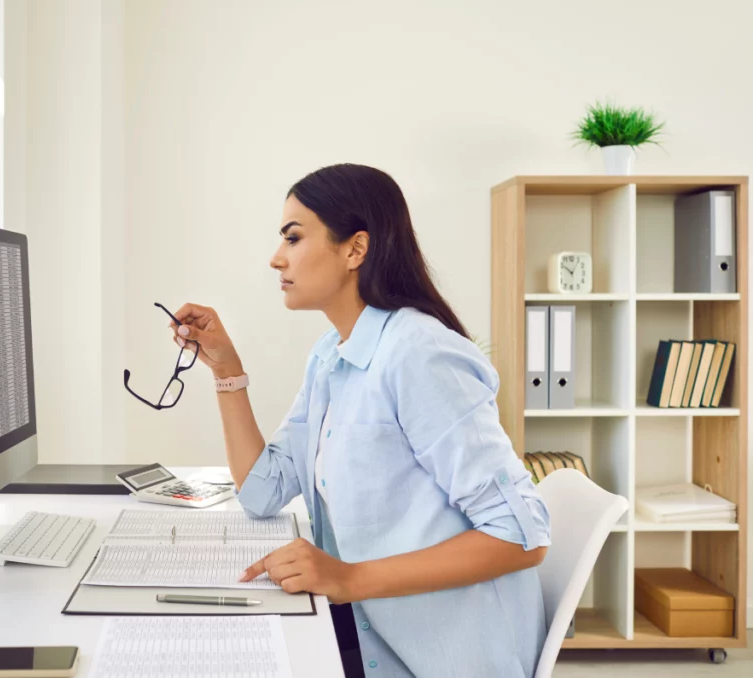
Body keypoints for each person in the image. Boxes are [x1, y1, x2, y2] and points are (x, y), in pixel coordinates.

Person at [168, 163, 550, 678]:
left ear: (355, 249)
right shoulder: (333, 354)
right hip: (373, 635)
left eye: (294, 236)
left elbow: (520, 534)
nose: (276, 257)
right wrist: (226, 370)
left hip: (447, 655)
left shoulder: (419, 354)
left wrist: (348, 578)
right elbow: (262, 490)